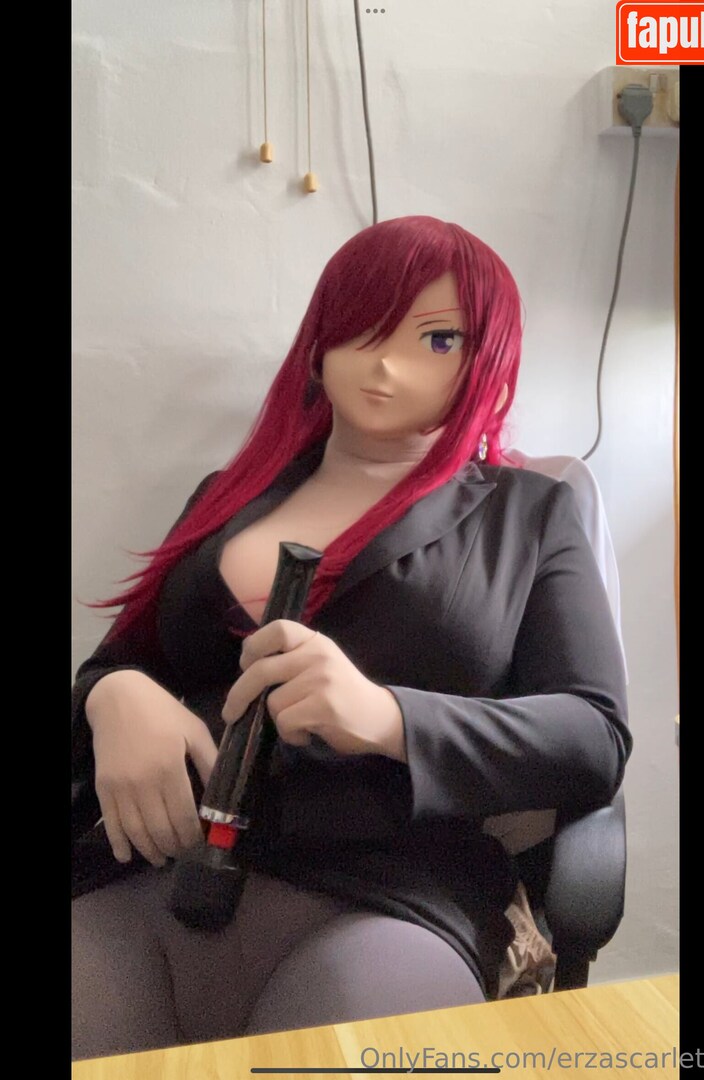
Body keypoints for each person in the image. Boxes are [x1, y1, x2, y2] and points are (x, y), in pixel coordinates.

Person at [72, 215, 631, 1060]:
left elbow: (592, 736)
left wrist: (388, 717)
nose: (385, 364)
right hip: (151, 875)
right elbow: (117, 663)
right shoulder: (227, 495)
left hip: (389, 898)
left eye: (438, 339)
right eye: (364, 325)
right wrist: (115, 696)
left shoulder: (528, 514)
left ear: (485, 359)